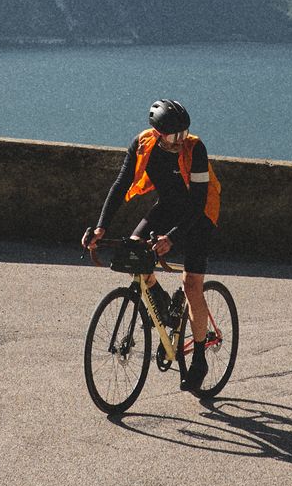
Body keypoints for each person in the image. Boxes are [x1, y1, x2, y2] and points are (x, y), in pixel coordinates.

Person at [83, 98, 220, 392]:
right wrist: (101, 226)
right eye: (173, 136)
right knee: (134, 248)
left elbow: (197, 204)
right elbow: (121, 185)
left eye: (184, 134)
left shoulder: (195, 149)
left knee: (192, 283)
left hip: (200, 213)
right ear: (157, 133)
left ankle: (198, 358)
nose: (179, 141)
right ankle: (163, 302)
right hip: (169, 206)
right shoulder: (142, 144)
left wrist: (171, 238)